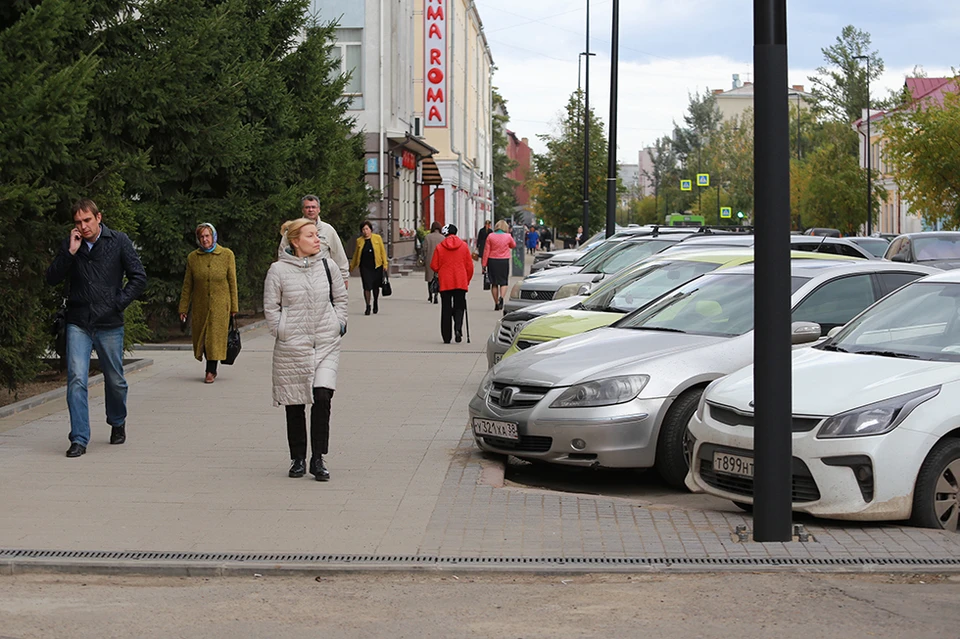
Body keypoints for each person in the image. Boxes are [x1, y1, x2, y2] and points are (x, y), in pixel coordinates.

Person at [46, 198, 147, 458]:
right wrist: (69, 252)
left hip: (109, 322)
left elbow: (138, 276)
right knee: (77, 379)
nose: (83, 226)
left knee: (115, 379)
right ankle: (79, 438)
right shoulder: (72, 245)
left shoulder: (118, 241)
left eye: (87, 220)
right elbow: (51, 278)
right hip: (78, 321)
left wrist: (119, 302)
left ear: (98, 217)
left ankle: (117, 421)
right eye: (78, 222)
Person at [264, 218, 349, 481]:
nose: (317, 240)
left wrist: (339, 323)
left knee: (323, 397)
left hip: (325, 342)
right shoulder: (278, 270)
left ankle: (318, 458)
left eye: (317, 235)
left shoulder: (328, 265)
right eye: (311, 235)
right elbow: (271, 308)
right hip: (293, 345)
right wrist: (282, 331)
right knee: (295, 401)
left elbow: (341, 298)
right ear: (295, 241)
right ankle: (298, 458)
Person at [178, 223, 239, 383]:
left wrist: (234, 307)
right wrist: (183, 307)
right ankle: (210, 367)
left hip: (221, 305)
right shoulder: (193, 257)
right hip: (200, 306)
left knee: (214, 338)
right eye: (202, 237)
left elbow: (232, 282)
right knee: (203, 339)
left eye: (207, 236)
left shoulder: (226, 255)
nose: (205, 240)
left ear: (213, 236)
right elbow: (187, 285)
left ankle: (210, 370)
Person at [430, 224, 474, 344]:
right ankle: (458, 328)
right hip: (460, 281)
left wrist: (441, 270)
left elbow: (434, 265)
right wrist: (467, 280)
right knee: (460, 306)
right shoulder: (464, 246)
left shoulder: (440, 247)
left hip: (445, 282)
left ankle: (446, 336)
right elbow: (470, 267)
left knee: (446, 308)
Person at [299, 194, 350, 287]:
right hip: (299, 278)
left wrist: (344, 277)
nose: (310, 210)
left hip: (323, 280)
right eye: (307, 207)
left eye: (313, 207)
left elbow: (338, 254)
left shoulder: (328, 230)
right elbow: (283, 254)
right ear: (303, 210)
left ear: (319, 209)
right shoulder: (293, 230)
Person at [349, 220, 388, 315]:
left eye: (367, 229)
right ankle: (367, 306)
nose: (365, 231)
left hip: (377, 266)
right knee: (366, 287)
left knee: (375, 286)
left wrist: (385, 264)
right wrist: (351, 267)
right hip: (365, 267)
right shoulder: (359, 241)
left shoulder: (377, 238)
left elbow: (382, 251)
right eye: (363, 229)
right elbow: (356, 255)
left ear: (370, 229)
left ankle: (375, 302)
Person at [481, 220, 516, 311]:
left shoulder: (490, 236)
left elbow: (486, 251)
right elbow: (513, 245)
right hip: (504, 261)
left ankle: (496, 302)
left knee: (494, 283)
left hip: (492, 261)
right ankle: (502, 297)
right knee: (504, 282)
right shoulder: (508, 236)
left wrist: (484, 264)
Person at [422, 221, 444, 303]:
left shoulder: (428, 237)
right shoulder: (442, 238)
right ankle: (436, 295)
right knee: (438, 278)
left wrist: (425, 257)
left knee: (430, 279)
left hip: (429, 260)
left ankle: (430, 295)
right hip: (440, 261)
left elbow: (424, 249)